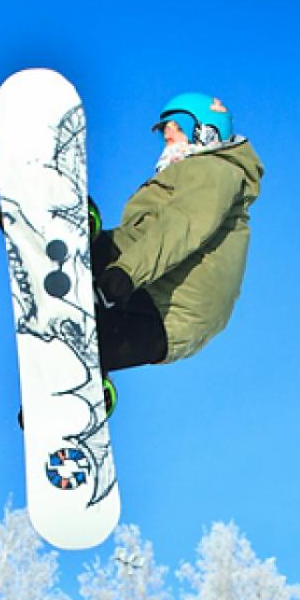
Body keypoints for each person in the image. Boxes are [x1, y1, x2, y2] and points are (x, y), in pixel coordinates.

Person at [91, 92, 264, 386]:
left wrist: (125, 273)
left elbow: (181, 226)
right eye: (164, 128)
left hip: (163, 300)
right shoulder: (195, 172)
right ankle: (81, 396)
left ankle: (59, 219)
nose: (168, 133)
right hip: (171, 317)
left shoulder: (212, 170)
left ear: (206, 131)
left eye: (178, 125)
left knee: (88, 252)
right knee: (88, 348)